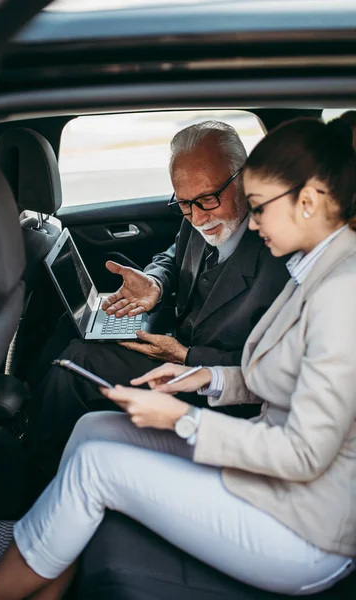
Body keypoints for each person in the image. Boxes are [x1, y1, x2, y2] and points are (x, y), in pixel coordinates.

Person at [0, 116, 356, 600]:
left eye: (259, 207)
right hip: (266, 463)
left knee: (97, 468)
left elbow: (304, 453)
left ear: (307, 203)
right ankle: (48, 586)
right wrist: (202, 377)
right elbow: (278, 376)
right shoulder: (314, 268)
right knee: (91, 431)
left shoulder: (339, 289)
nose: (254, 224)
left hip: (303, 522)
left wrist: (183, 416)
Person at [27, 120, 290, 480]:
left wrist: (183, 356)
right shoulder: (196, 214)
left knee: (73, 365)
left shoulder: (280, 256)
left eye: (208, 199)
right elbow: (172, 254)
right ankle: (26, 421)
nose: (198, 218)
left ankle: (31, 480)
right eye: (185, 203)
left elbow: (270, 370)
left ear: (244, 177)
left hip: (214, 391)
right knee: (72, 327)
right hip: (176, 343)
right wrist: (156, 282)